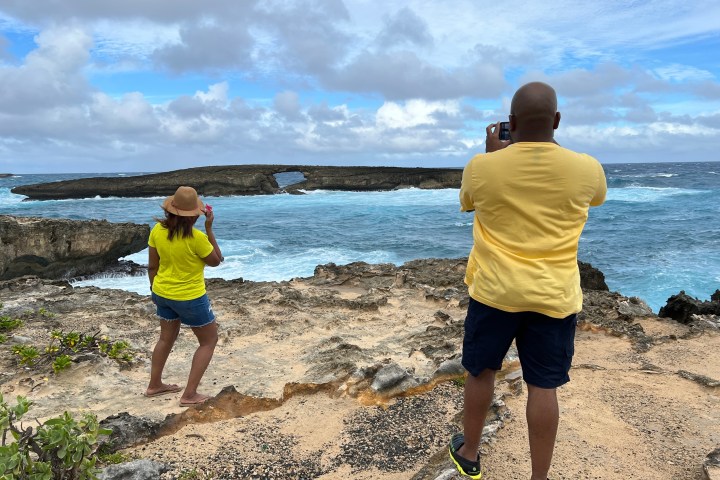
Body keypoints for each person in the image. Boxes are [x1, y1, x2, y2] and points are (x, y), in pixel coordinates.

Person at [448, 82, 607, 479]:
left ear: (510, 123)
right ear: (556, 120)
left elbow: (468, 202)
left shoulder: (481, 167)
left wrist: (493, 158)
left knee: (481, 372)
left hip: (494, 292)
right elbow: (596, 198)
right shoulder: (587, 167)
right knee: (542, 387)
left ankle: (469, 454)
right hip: (553, 296)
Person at [144, 185, 224, 407]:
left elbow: (152, 266)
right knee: (209, 341)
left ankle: (154, 385)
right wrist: (209, 228)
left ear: (171, 209)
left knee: (165, 338)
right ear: (195, 215)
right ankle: (189, 395)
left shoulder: (157, 231)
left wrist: (154, 291)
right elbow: (217, 260)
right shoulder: (196, 238)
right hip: (190, 297)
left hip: (161, 292)